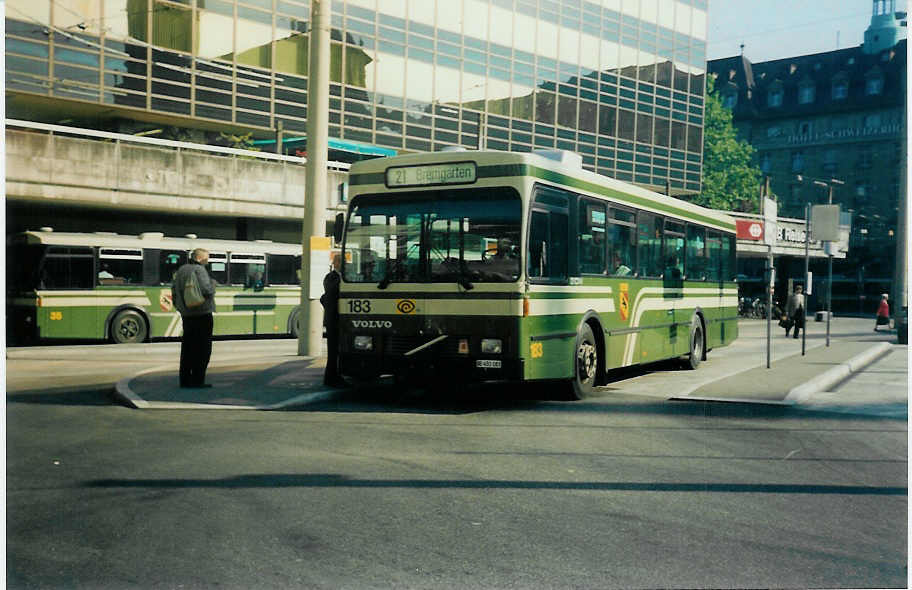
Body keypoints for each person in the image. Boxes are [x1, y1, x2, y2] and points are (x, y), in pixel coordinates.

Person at [172, 248, 216, 388]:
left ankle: (184, 380)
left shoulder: (181, 270)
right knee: (202, 349)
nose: (207, 262)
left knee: (187, 348)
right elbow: (207, 290)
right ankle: (198, 380)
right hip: (201, 314)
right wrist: (213, 284)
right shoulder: (200, 270)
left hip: (186, 315)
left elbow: (174, 290)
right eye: (207, 259)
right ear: (201, 258)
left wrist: (180, 307)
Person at [321, 253, 344, 387]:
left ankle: (336, 376)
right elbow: (331, 293)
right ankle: (330, 378)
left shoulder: (340, 277)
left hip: (339, 318)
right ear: (335, 263)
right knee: (333, 351)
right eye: (341, 262)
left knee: (338, 350)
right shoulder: (331, 277)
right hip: (333, 319)